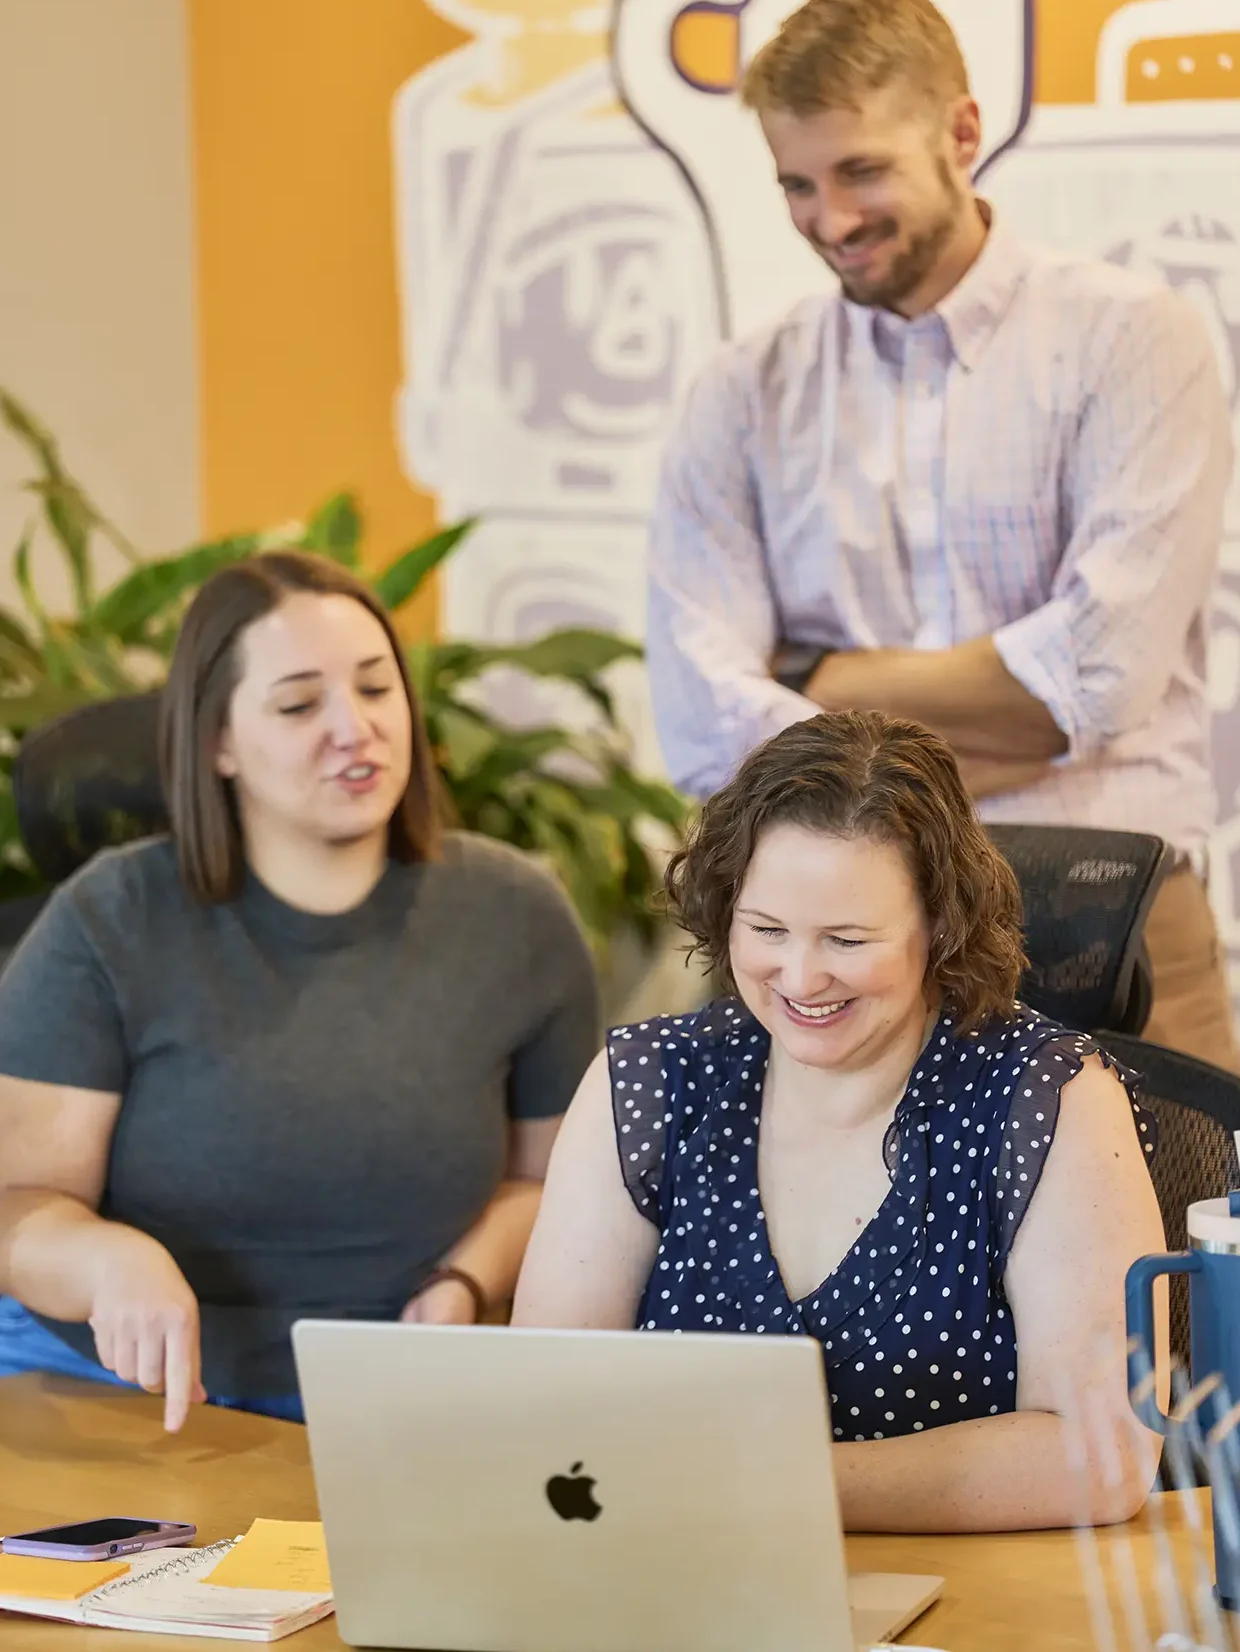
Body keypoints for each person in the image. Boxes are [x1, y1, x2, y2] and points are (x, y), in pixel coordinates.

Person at [644, 0, 1238, 1071]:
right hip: (833, 942)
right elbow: (698, 720)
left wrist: (816, 679)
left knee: (1158, 1235)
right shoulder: (742, 391)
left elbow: (1099, 677)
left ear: (961, 133)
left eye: (860, 171)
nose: (828, 218)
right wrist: (1022, 720)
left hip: (1108, 912)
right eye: (796, 183)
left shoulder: (1129, 338)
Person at [513, 710, 1166, 1533]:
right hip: (680, 1591)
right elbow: (537, 1403)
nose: (800, 975)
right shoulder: (653, 1080)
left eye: (847, 940)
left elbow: (1105, 1457)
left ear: (940, 924)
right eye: (767, 930)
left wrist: (769, 1487)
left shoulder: (1051, 1098)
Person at [0, 552, 597, 1430]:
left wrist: (464, 1280)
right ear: (218, 743)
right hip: (108, 1385)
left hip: (394, 1389)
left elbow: (553, 1186)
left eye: (375, 689)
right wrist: (105, 1262)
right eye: (299, 704)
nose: (354, 729)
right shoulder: (108, 920)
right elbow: (19, 1204)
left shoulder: (516, 915)